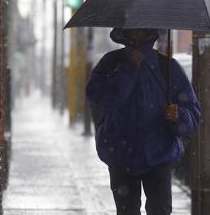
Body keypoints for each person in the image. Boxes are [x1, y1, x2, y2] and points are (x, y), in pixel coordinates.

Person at [86, 28, 201, 215]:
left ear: (151, 32)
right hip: (120, 154)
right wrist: (129, 69)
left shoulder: (168, 67)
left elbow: (193, 115)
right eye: (133, 29)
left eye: (142, 30)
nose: (137, 34)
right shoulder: (111, 63)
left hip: (159, 155)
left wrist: (178, 116)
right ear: (124, 31)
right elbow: (100, 99)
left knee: (160, 210)